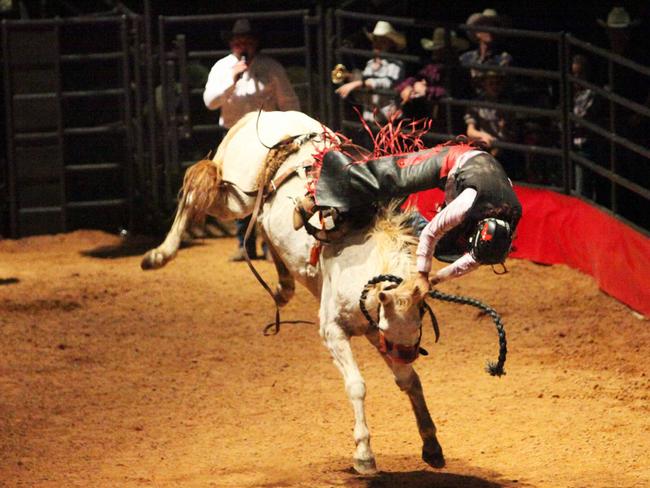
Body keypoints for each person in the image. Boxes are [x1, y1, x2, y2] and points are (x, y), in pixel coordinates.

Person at [294, 137, 522, 290]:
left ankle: (395, 214)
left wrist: (435, 280)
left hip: (476, 177)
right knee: (391, 178)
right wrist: (422, 275)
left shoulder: (511, 216)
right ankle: (315, 195)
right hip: (453, 161)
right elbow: (431, 233)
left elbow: (473, 259)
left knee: (447, 248)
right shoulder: (467, 203)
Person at [203, 18, 300, 261]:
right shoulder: (222, 68)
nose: (242, 45)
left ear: (255, 43)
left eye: (247, 40)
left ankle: (271, 246)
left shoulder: (271, 67)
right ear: (232, 44)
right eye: (238, 41)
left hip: (266, 135)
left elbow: (289, 102)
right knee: (235, 187)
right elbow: (210, 102)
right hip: (233, 135)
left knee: (268, 189)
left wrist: (286, 128)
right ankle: (244, 245)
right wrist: (231, 80)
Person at [335, 21, 406, 125]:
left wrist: (358, 83)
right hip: (369, 119)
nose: (377, 44)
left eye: (382, 41)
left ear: (391, 44)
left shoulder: (396, 64)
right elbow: (363, 93)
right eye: (376, 40)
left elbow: (386, 83)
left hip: (389, 120)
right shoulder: (370, 63)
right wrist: (354, 79)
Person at [395, 28, 469, 127]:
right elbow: (418, 76)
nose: (435, 53)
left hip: (453, 119)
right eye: (436, 50)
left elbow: (452, 91)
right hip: (433, 118)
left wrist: (426, 91)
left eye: (440, 50)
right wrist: (408, 86)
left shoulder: (458, 70)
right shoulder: (433, 66)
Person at [459, 9, 513, 96]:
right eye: (485, 26)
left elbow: (503, 88)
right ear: (477, 33)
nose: (490, 29)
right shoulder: (465, 58)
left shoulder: (504, 58)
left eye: (493, 26)